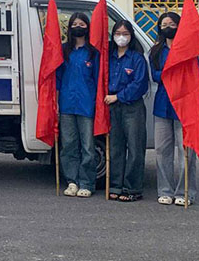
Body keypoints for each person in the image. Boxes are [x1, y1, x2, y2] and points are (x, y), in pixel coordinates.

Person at [150, 12, 198, 206]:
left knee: (186, 151)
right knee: (162, 151)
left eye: (171, 23)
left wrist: (175, 74)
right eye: (164, 24)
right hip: (163, 106)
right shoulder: (156, 51)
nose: (167, 27)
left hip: (184, 106)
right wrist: (173, 73)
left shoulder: (188, 50)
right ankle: (165, 190)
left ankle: (186, 192)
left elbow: (194, 75)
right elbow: (155, 75)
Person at [104, 19, 149, 202]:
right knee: (116, 147)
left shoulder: (137, 58)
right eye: (117, 33)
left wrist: (118, 96)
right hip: (112, 107)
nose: (121, 37)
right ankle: (115, 185)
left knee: (135, 148)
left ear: (131, 37)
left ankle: (133, 188)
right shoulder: (108, 57)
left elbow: (140, 85)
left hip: (132, 107)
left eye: (125, 34)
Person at [56, 12, 99, 198]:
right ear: (70, 27)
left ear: (88, 27)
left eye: (82, 24)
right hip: (66, 104)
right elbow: (57, 79)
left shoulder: (93, 52)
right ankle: (71, 181)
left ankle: (87, 183)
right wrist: (55, 103)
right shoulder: (64, 51)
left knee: (88, 147)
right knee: (68, 145)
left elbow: (98, 80)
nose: (78, 27)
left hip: (87, 104)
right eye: (75, 24)